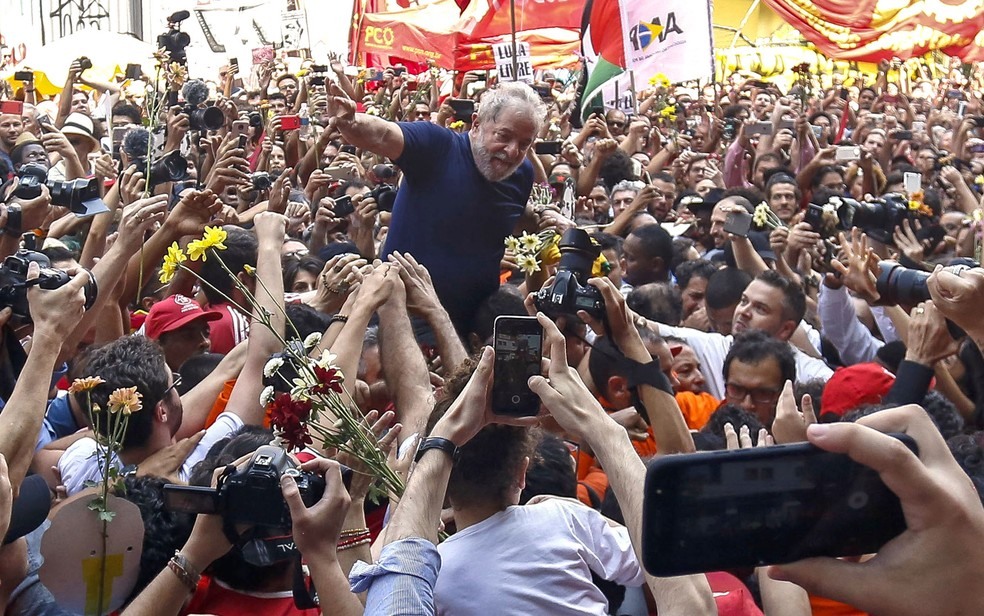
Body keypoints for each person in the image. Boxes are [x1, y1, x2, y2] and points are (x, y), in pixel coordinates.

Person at [325, 80, 545, 331]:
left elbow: (506, 217)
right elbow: (384, 134)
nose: (512, 151)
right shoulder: (437, 146)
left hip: (471, 330)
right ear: (476, 124)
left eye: (524, 144)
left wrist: (544, 218)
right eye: (504, 136)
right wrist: (352, 123)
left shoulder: (522, 174)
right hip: (404, 322)